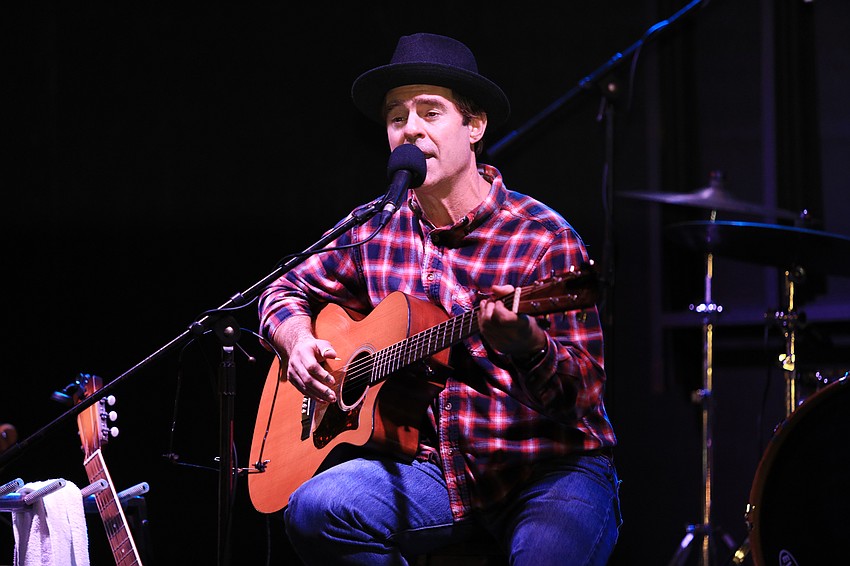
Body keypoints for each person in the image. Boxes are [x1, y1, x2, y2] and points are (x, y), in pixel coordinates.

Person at [258, 32, 621, 566]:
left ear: (474, 127)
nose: (411, 129)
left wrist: (530, 347)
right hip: (432, 470)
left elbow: (584, 396)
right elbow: (282, 288)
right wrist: (297, 340)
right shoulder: (374, 228)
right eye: (397, 116)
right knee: (317, 508)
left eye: (431, 112)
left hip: (548, 467)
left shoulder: (543, 237)